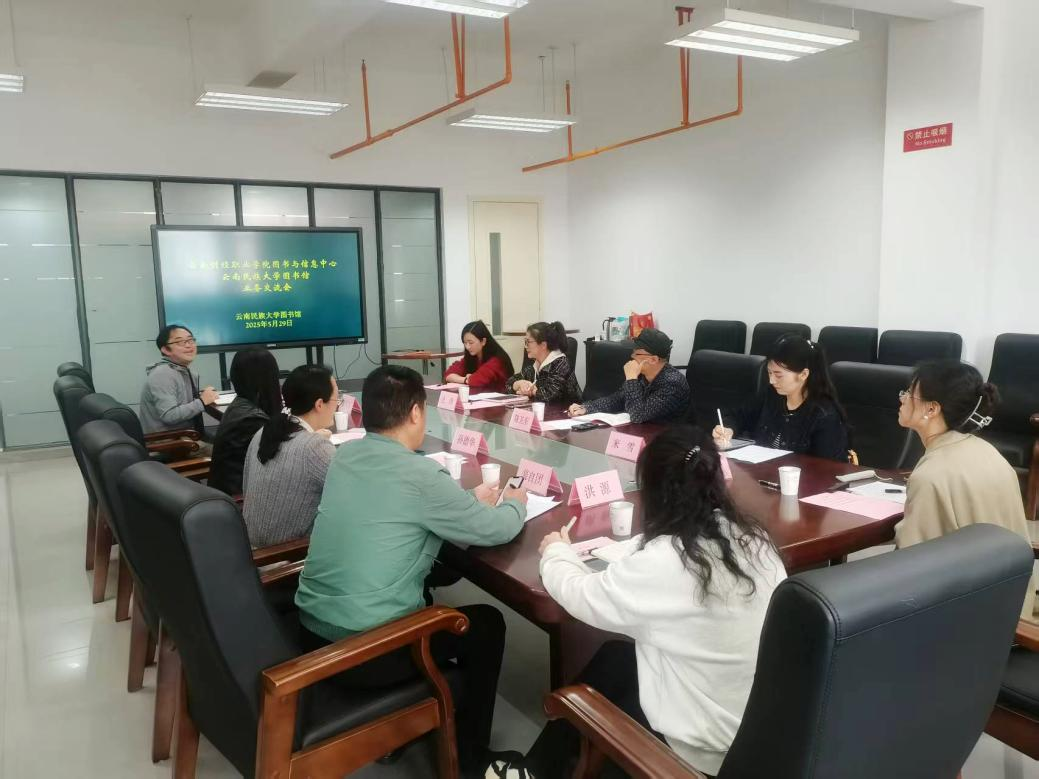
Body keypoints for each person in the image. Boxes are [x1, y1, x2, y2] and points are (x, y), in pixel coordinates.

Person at [489, 426, 786, 779]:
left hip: (705, 750)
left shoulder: (667, 561)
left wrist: (556, 551)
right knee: (615, 659)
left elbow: (580, 594)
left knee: (588, 693)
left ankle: (536, 771)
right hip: (760, 731)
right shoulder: (755, 541)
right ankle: (537, 769)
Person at [295, 365, 529, 775]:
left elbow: (397, 508)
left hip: (311, 629)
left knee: (433, 586)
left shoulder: (345, 455)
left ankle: (427, 718)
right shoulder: (420, 474)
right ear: (417, 413)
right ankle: (470, 760)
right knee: (487, 624)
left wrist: (463, 501)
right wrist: (516, 503)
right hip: (366, 651)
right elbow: (496, 529)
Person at [894, 359, 1036, 618]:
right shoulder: (988, 452)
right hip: (1011, 604)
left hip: (965, 619)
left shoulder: (931, 476)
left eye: (909, 394)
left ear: (932, 409)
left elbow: (910, 566)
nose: (902, 399)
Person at [713, 334, 850, 462]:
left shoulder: (824, 415)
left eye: (778, 375)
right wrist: (728, 428)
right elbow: (739, 416)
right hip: (764, 474)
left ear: (803, 374)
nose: (772, 381)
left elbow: (827, 468)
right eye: (769, 373)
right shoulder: (771, 396)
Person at [242, 364, 337, 547]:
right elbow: (354, 492)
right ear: (319, 404)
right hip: (286, 555)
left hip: (249, 547)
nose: (337, 404)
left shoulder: (264, 431)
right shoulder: (314, 447)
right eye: (336, 399)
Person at [567, 327, 689, 424]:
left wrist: (631, 379)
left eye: (637, 354)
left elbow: (637, 415)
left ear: (653, 359)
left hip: (667, 440)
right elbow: (617, 399)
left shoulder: (673, 384)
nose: (632, 356)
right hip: (642, 432)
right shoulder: (642, 375)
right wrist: (587, 408)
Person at [207, 348, 282, 496]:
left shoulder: (240, 404)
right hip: (239, 497)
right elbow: (281, 460)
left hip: (229, 489)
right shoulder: (253, 419)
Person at [139, 324, 219, 437]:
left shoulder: (184, 371)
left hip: (188, 434)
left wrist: (202, 396)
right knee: (230, 445)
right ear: (166, 349)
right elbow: (169, 415)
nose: (189, 345)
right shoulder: (162, 374)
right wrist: (201, 401)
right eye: (181, 342)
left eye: (190, 340)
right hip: (169, 441)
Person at [505, 321, 582, 406]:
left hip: (567, 412)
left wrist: (532, 391)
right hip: (543, 412)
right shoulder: (535, 365)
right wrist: (518, 384)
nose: (525, 346)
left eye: (528, 342)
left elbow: (550, 397)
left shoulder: (561, 364)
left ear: (543, 345)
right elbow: (508, 383)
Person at [444, 320, 516, 392]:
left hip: (501, 397)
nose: (467, 347)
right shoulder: (472, 357)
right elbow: (448, 374)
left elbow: (475, 381)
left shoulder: (497, 360)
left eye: (471, 343)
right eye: (465, 343)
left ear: (483, 341)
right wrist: (465, 379)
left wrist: (468, 379)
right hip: (480, 396)